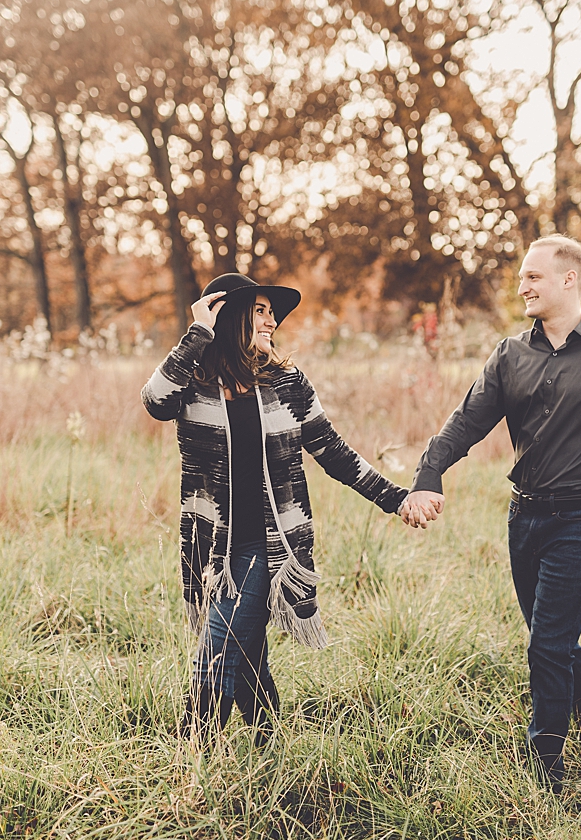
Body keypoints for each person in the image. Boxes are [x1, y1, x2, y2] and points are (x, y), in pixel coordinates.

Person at [401, 235, 581, 791]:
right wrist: (430, 471)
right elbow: (466, 421)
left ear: (569, 280)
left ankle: (545, 762)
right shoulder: (510, 354)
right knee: (556, 637)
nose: (521, 286)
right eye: (522, 277)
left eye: (533, 277)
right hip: (523, 518)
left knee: (546, 644)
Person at [143, 273, 413, 742]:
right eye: (261, 310)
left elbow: (334, 451)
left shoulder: (286, 381)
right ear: (229, 315)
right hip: (213, 546)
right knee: (247, 652)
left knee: (218, 652)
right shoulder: (195, 380)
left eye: (272, 313)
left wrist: (397, 498)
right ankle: (270, 741)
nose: (272, 321)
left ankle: (190, 760)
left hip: (275, 545)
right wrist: (198, 333)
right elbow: (155, 401)